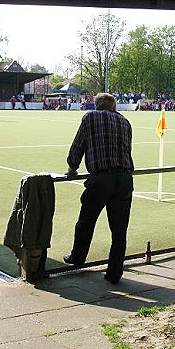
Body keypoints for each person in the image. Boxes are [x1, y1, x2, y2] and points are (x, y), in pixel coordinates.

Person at [63, 92, 134, 284]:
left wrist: (72, 168)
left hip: (101, 178)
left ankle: (77, 257)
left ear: (96, 105)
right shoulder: (124, 121)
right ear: (114, 106)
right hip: (125, 178)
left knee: (86, 221)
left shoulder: (90, 117)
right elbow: (127, 150)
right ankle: (114, 273)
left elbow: (78, 146)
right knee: (119, 230)